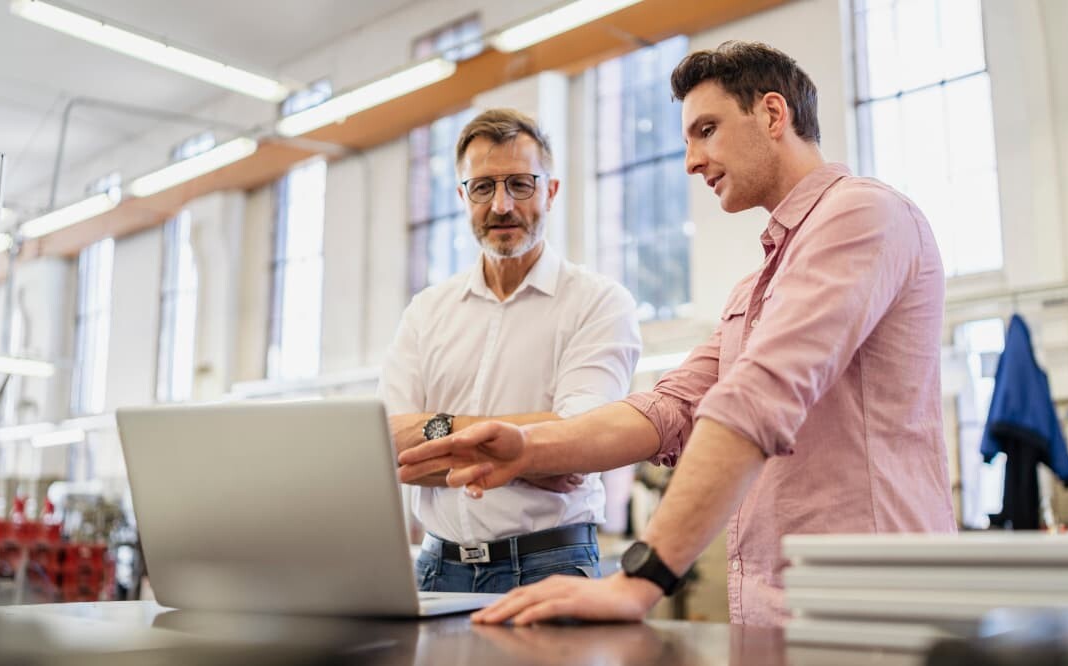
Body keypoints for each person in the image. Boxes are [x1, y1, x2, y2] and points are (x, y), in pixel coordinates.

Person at [398, 41, 956, 626]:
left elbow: (757, 398)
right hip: (778, 611)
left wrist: (642, 578)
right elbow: (669, 409)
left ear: (772, 114)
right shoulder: (756, 286)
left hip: (872, 609)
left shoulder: (861, 215)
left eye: (706, 130)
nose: (691, 160)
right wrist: (528, 447)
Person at [378, 108, 641, 594]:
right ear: (462, 196)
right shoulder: (427, 311)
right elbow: (388, 447)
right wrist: (529, 449)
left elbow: (578, 448)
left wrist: (433, 434)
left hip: (551, 563)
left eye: (520, 184)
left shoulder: (598, 303)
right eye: (482, 187)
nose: (501, 205)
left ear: (551, 191)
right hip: (439, 568)